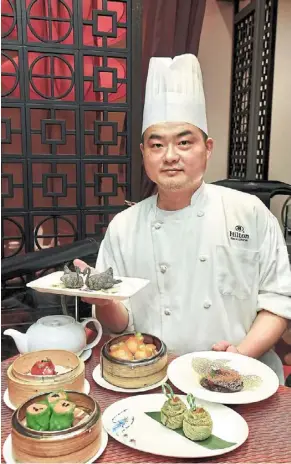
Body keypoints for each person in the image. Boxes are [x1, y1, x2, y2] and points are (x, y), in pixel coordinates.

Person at [75, 54, 291, 384]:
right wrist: (103, 300)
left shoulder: (250, 213)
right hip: (153, 378)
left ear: (207, 148)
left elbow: (277, 302)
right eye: (157, 144)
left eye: (184, 142)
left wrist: (240, 354)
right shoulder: (124, 227)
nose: (171, 156)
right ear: (144, 154)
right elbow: (120, 326)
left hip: (244, 376)